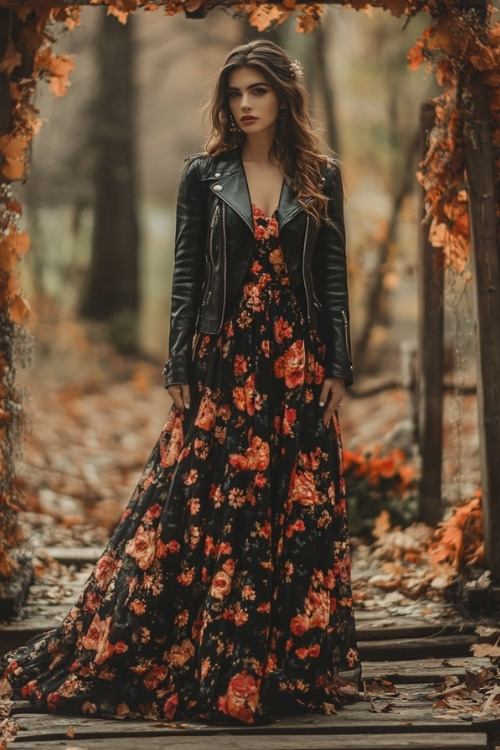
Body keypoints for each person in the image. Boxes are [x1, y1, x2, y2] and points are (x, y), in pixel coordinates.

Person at [0, 39, 360, 725]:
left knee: (294, 508)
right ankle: (209, 658)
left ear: (285, 95)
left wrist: (338, 363)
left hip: (296, 366)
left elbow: (332, 278)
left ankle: (277, 665)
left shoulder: (320, 176)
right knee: (195, 503)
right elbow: (186, 276)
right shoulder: (205, 175)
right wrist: (177, 365)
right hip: (223, 365)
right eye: (235, 92)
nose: (245, 104)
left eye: (258, 90)